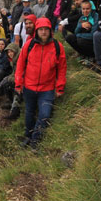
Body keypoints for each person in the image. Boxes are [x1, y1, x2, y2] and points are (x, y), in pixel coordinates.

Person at [15, 18, 66, 149]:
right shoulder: (29, 45)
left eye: (46, 29)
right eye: (41, 30)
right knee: (29, 113)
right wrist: (18, 84)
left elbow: (62, 68)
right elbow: (20, 64)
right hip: (29, 86)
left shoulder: (57, 46)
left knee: (45, 115)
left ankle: (35, 140)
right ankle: (28, 135)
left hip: (47, 88)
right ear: (37, 31)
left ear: (50, 31)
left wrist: (60, 87)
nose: (43, 32)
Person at [0, 43, 22, 120]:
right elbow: (14, 73)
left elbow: (21, 75)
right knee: (6, 83)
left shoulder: (21, 59)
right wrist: (8, 78)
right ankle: (10, 102)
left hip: (23, 82)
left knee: (14, 89)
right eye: (8, 52)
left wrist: (10, 79)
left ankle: (15, 111)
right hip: (17, 79)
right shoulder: (14, 60)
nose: (10, 54)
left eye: (11, 51)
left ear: (16, 51)